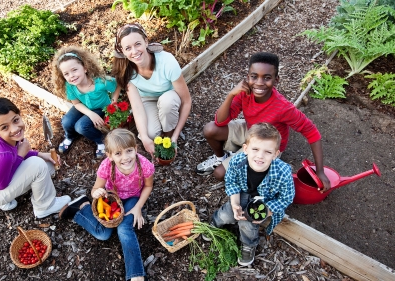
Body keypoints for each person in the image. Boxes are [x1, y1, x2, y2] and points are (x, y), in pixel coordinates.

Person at [196, 52, 331, 192]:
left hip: (267, 143)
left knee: (219, 174)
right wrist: (231, 94)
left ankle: (259, 173)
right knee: (210, 129)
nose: (259, 83)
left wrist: (319, 171)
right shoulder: (244, 93)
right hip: (251, 130)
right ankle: (221, 157)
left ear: (276, 80)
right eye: (254, 77)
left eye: (267, 78)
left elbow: (312, 132)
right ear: (247, 77)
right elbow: (220, 121)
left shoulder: (283, 108)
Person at [58, 129, 154, 281]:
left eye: (129, 151)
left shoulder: (145, 166)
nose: (125, 157)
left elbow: (148, 186)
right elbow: (96, 189)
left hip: (132, 199)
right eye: (118, 153)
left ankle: (136, 275)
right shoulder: (107, 166)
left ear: (135, 148)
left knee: (124, 228)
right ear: (109, 155)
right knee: (103, 234)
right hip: (111, 199)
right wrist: (96, 193)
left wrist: (138, 208)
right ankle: (82, 209)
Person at [208, 122, 294, 266]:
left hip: (264, 201)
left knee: (247, 224)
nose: (260, 156)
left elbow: (287, 197)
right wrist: (235, 203)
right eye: (255, 149)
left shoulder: (283, 172)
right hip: (241, 194)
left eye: (268, 152)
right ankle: (215, 222)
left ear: (276, 154)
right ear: (246, 149)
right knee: (227, 213)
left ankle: (248, 244)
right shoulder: (236, 161)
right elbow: (231, 182)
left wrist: (267, 211)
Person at [0, 97, 71, 218]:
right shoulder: (1, 156)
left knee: (48, 165)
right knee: (39, 165)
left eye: (15, 120)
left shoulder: (1, 138)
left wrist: (40, 154)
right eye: (5, 127)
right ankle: (45, 207)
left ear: (19, 114)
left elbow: (16, 154)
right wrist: (21, 155)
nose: (14, 129)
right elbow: (0, 185)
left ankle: (10, 199)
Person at [112, 23, 192, 158]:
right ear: (123, 51)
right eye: (128, 48)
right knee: (150, 134)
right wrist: (144, 138)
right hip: (148, 100)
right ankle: (161, 130)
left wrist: (175, 137)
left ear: (146, 42)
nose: (134, 51)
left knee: (167, 103)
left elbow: (187, 101)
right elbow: (137, 107)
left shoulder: (167, 62)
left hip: (170, 97)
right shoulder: (126, 70)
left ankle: (169, 133)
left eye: (138, 44)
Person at [51, 46, 122, 159]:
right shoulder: (70, 86)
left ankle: (101, 141)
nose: (71, 76)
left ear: (85, 68)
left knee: (81, 127)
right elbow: (76, 103)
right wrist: (90, 113)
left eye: (74, 70)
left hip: (100, 108)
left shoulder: (100, 82)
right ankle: (70, 136)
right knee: (66, 121)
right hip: (83, 107)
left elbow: (118, 84)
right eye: (66, 74)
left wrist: (113, 102)